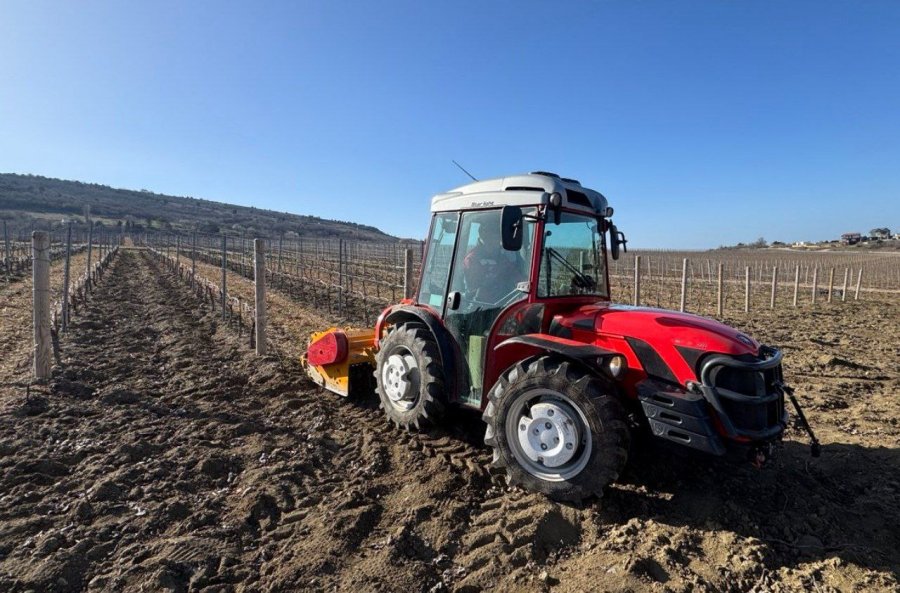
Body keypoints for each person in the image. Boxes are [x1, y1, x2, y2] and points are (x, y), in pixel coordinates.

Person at [462, 219, 528, 304]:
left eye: (499, 236)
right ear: (484, 236)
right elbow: (475, 290)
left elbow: (515, 275)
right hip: (482, 307)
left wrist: (526, 287)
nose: (498, 240)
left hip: (504, 302)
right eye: (494, 235)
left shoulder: (501, 258)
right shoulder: (472, 259)